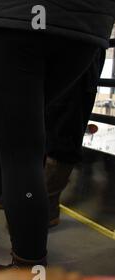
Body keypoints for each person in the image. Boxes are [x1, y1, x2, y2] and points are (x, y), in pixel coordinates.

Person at [0, 0, 115, 271]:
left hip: (12, 22)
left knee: (21, 151)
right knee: (0, 117)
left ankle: (27, 269)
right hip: (83, 33)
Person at [45, 48, 106, 227]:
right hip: (63, 42)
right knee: (51, 123)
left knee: (64, 129)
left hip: (80, 43)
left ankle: (46, 205)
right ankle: (41, 202)